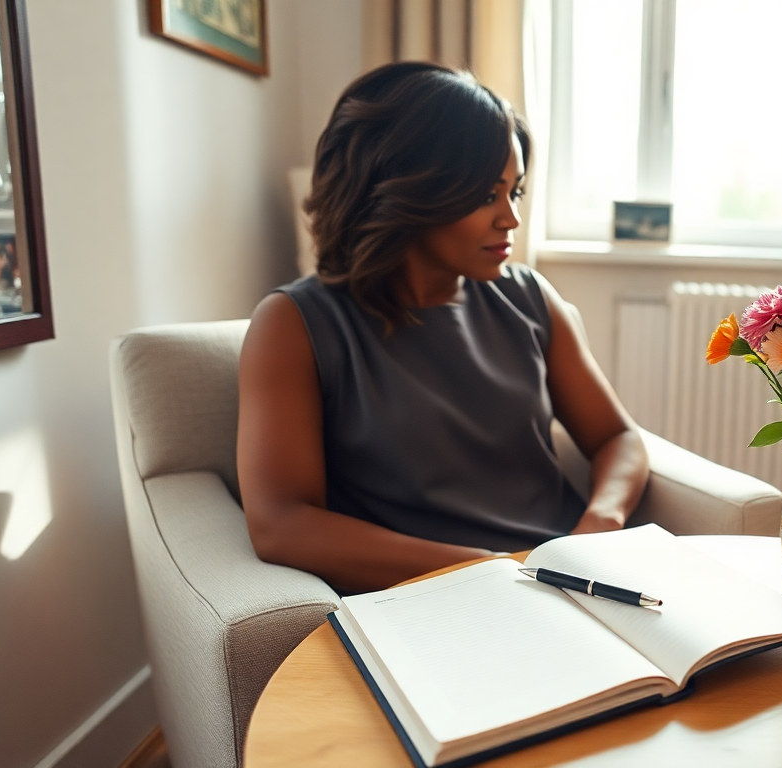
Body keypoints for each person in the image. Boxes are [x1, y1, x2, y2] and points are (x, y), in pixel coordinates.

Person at [237, 63, 649, 594]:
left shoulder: (528, 297)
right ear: (406, 189)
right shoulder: (294, 324)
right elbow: (281, 524)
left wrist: (600, 523)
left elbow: (618, 437)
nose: (510, 220)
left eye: (514, 193)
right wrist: (491, 571)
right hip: (435, 601)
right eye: (485, 196)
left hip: (571, 580)